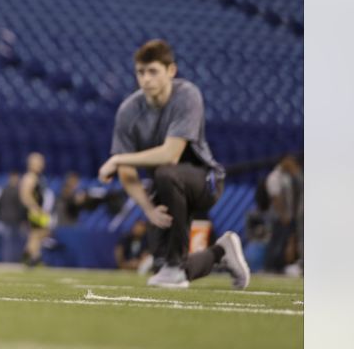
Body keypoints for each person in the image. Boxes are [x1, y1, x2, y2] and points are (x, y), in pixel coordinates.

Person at [97, 39, 250, 289]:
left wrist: (116, 158)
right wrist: (147, 208)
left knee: (167, 173)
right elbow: (127, 173)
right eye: (140, 72)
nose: (146, 79)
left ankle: (174, 264)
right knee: (161, 267)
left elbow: (171, 154)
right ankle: (220, 252)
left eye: (153, 71)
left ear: (171, 71)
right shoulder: (128, 111)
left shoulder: (187, 95)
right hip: (165, 187)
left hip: (204, 182)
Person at [263, 154, 303, 274]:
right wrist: (283, 214)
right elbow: (275, 198)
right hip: (278, 215)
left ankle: (277, 267)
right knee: (276, 241)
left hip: (286, 214)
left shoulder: (287, 176)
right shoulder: (274, 176)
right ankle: (270, 267)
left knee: (282, 242)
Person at [19, 152, 51, 267]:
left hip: (36, 209)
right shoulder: (30, 177)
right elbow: (25, 194)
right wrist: (34, 208)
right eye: (39, 162)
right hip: (32, 210)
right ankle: (33, 258)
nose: (41, 165)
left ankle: (29, 255)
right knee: (36, 233)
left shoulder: (38, 177)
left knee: (39, 233)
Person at [0, 171, 26, 263]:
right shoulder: (17, 191)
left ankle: (8, 260)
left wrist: (1, 213)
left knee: (9, 242)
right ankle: (11, 260)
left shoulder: (5, 190)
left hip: (10, 219)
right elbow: (21, 207)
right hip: (13, 220)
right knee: (10, 242)